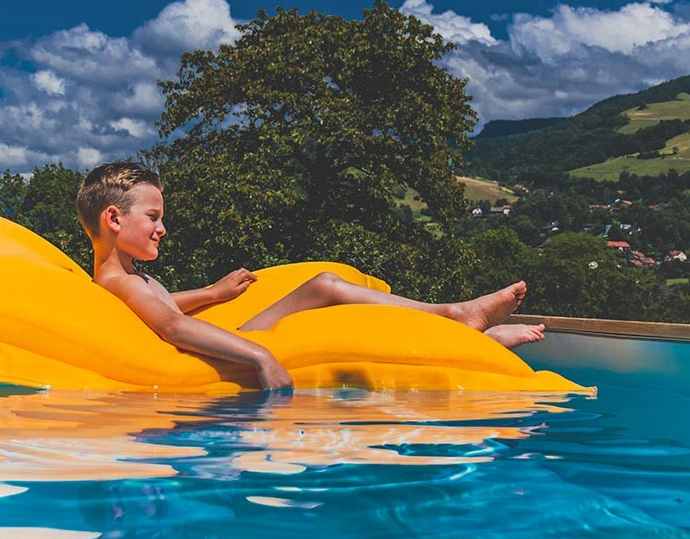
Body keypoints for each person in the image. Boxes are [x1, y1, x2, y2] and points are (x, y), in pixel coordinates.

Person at [76, 160, 544, 392]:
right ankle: (457, 323)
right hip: (224, 351)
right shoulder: (118, 283)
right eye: (153, 217)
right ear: (114, 220)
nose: (162, 227)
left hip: (226, 334)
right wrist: (260, 357)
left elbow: (164, 305)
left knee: (324, 284)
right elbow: (171, 326)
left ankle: (458, 322)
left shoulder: (130, 280)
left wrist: (213, 291)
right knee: (326, 291)